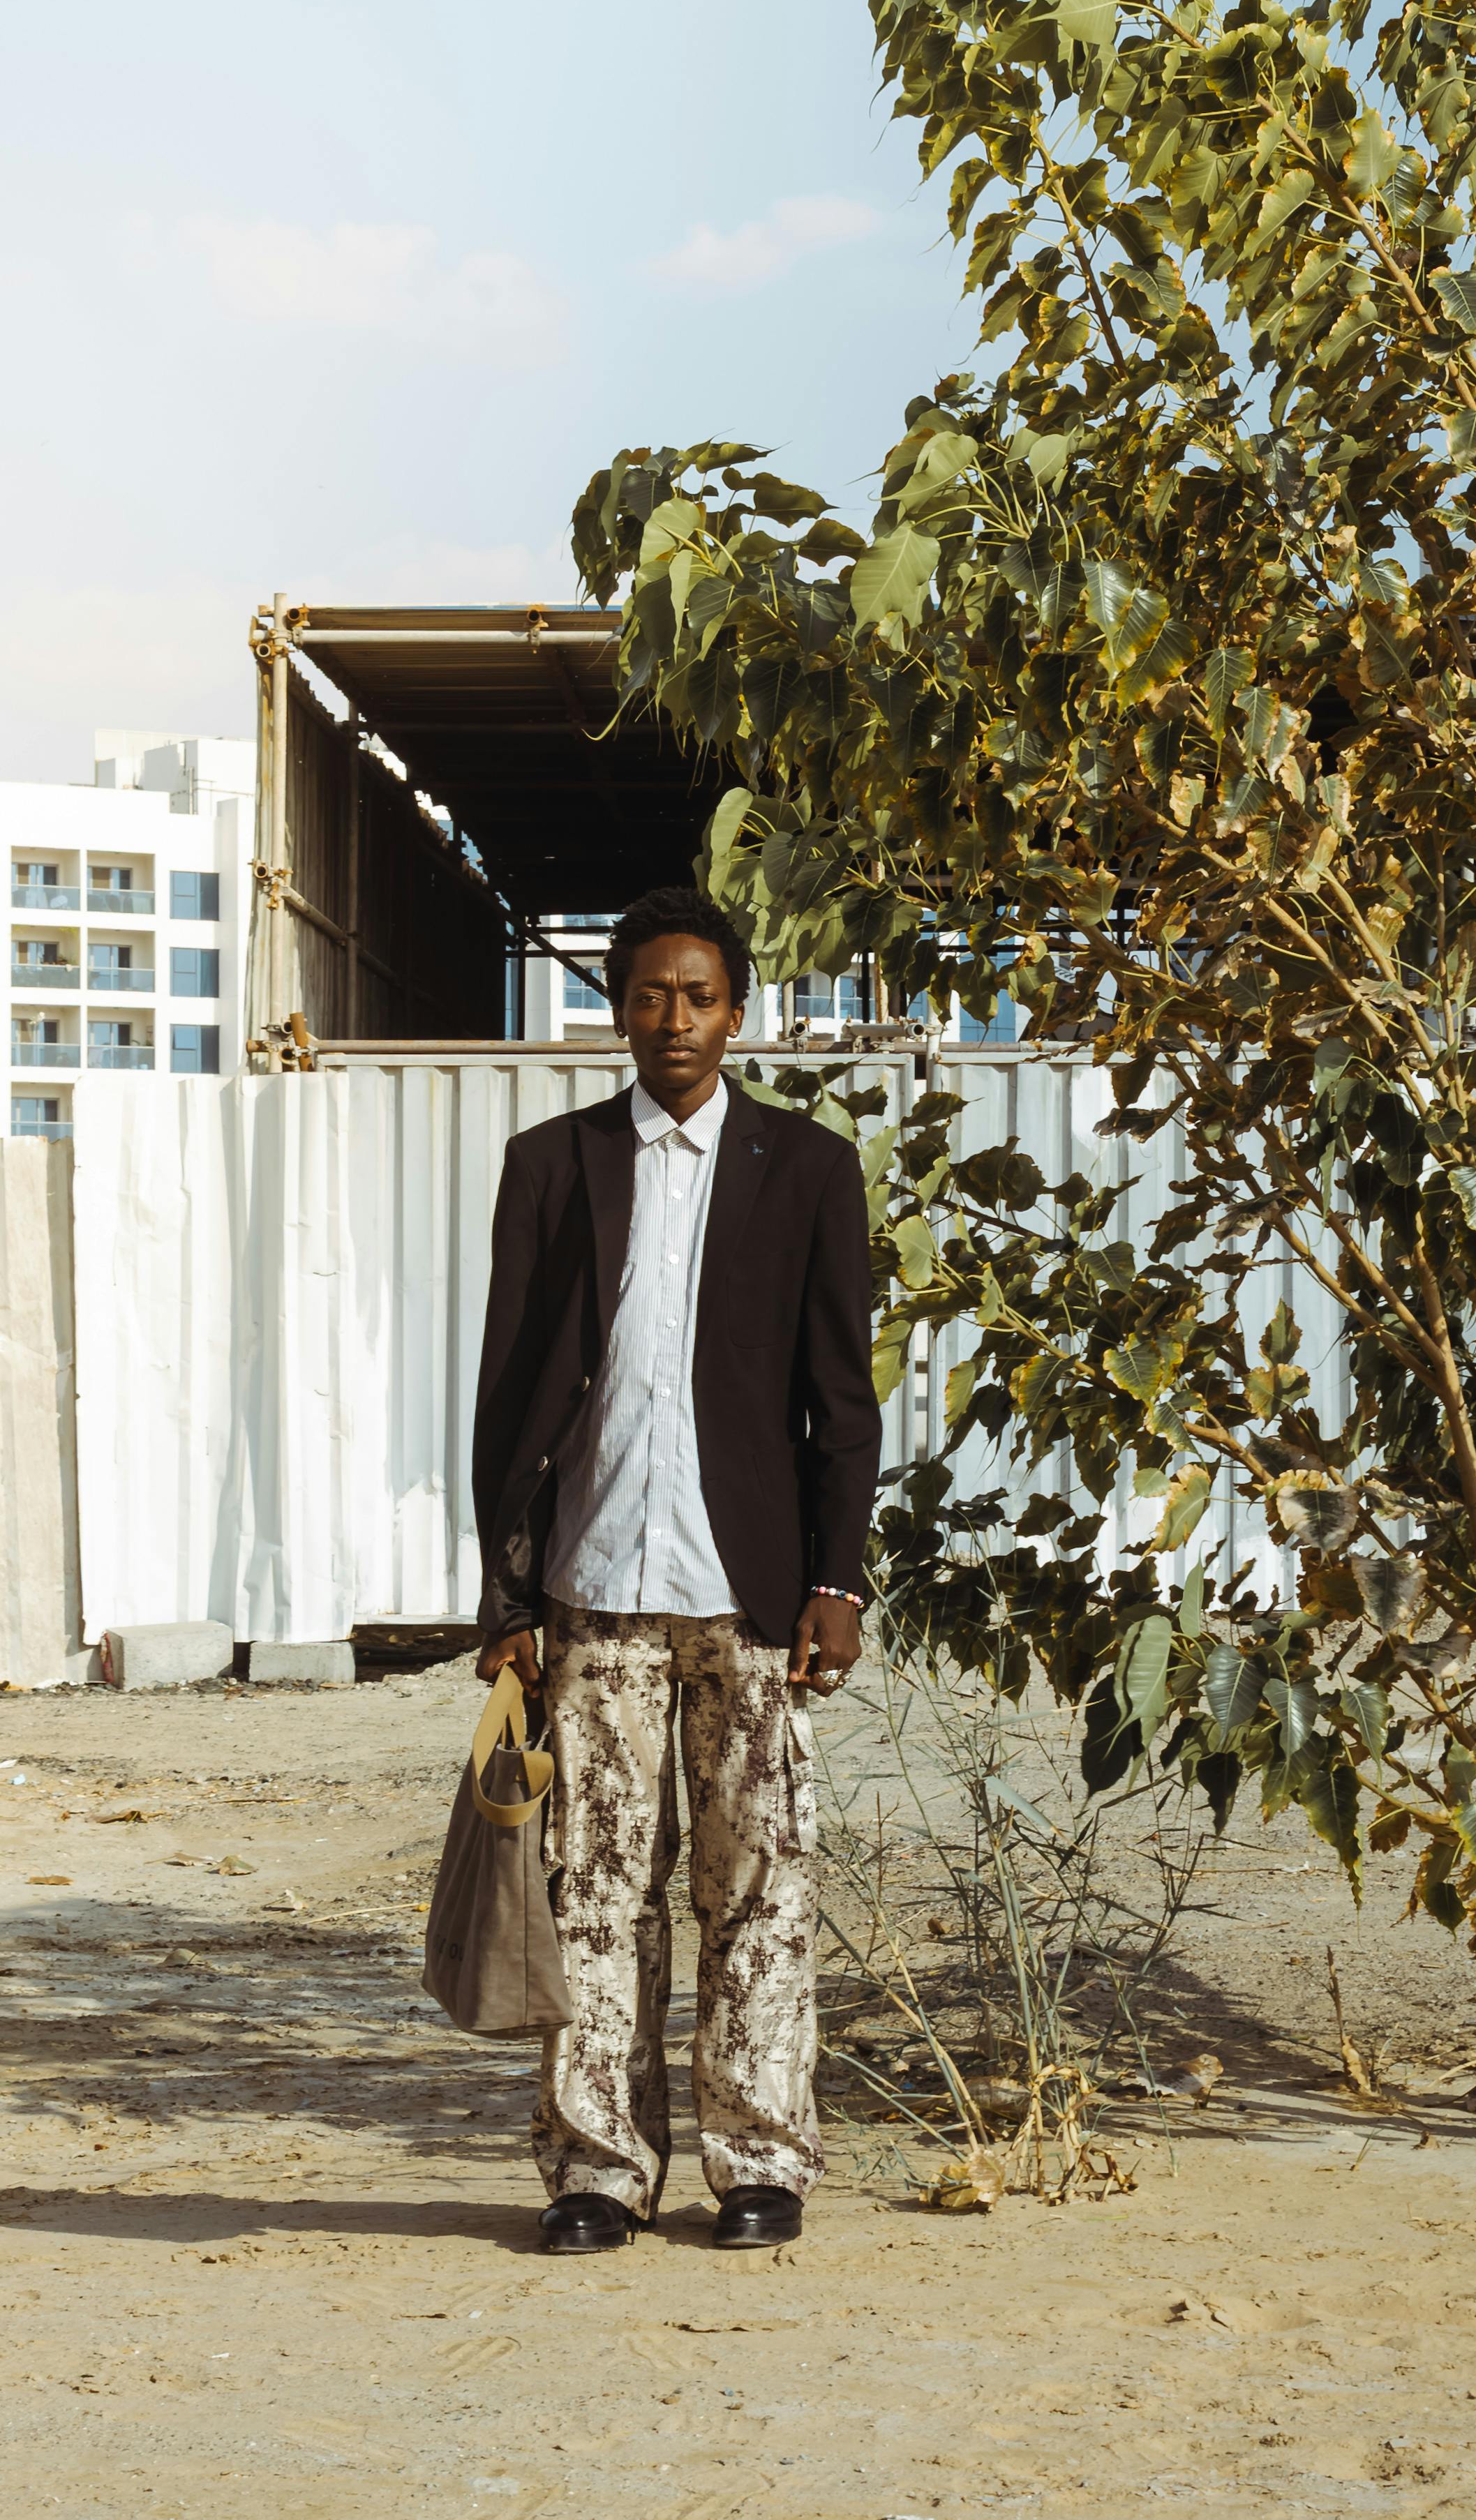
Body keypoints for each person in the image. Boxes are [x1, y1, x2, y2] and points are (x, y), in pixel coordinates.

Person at [470, 883, 880, 2256]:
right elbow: (508, 1392)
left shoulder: (807, 1168)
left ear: (736, 1011)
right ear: (618, 1010)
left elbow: (843, 1398)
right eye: (649, 994)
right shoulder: (553, 1163)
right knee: (593, 1890)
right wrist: (506, 1596)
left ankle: (759, 2162)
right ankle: (598, 2167)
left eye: (699, 995)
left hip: (750, 1597)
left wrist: (839, 1578)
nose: (674, 1019)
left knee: (757, 1885)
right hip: (591, 1592)